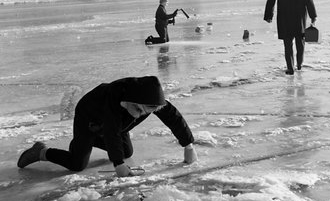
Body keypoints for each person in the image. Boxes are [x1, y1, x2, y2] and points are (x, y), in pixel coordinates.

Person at [17, 76, 197, 177]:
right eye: (139, 110)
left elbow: (174, 118)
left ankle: (85, 143)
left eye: (147, 111)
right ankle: (41, 151)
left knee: (126, 152)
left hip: (115, 126)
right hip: (89, 118)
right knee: (77, 164)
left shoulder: (152, 100)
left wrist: (188, 146)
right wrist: (118, 165)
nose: (142, 114)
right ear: (132, 101)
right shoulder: (114, 99)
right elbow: (112, 131)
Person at [264, 0, 317, 75]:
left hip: (284, 17)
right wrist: (313, 16)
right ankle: (299, 65)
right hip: (299, 18)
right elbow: (309, 0)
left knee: (287, 44)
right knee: (300, 42)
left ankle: (290, 68)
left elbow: (271, 0)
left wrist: (269, 16)